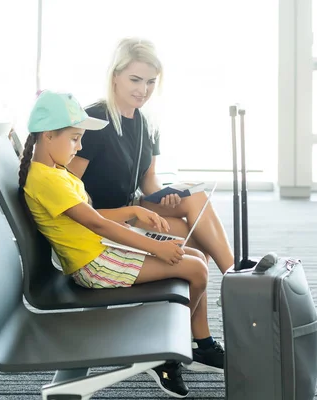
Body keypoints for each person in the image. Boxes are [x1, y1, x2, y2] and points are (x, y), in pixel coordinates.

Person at [19, 90, 223, 398]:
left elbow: (90, 215)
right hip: (94, 264)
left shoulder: (55, 173)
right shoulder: (48, 180)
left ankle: (174, 342)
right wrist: (155, 247)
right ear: (49, 136)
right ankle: (167, 350)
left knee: (194, 255)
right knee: (195, 269)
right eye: (75, 138)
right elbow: (98, 224)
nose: (81, 146)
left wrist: (133, 210)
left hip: (98, 250)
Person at [66, 37, 235, 278]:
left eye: (150, 82)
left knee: (195, 201)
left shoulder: (146, 123)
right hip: (102, 218)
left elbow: (148, 179)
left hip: (133, 208)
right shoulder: (94, 120)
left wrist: (167, 196)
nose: (143, 90)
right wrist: (121, 215)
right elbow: (69, 187)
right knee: (195, 238)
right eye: (135, 80)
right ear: (115, 76)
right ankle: (236, 278)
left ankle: (233, 276)